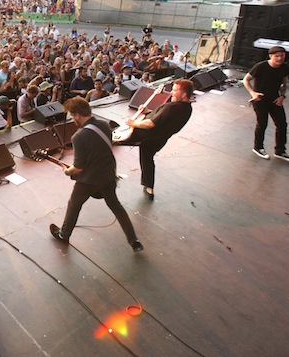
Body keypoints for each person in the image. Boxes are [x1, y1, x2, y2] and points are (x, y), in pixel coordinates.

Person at [49, 97, 143, 252]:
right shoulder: (104, 125)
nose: (73, 120)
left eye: (72, 116)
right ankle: (134, 241)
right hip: (108, 175)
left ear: (78, 115)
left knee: (74, 204)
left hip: (89, 180)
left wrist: (68, 171)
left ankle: (64, 234)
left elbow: (78, 167)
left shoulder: (78, 137)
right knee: (116, 206)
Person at [124, 79, 194, 201]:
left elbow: (151, 123)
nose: (171, 93)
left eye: (175, 90)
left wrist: (133, 123)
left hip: (147, 136)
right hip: (160, 139)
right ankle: (149, 186)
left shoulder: (172, 107)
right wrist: (148, 112)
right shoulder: (188, 109)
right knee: (147, 157)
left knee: (112, 137)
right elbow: (162, 117)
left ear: (183, 94)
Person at [243, 46, 289, 161]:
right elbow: (246, 80)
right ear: (271, 56)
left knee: (282, 124)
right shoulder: (261, 66)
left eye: (282, 56)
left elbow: (284, 84)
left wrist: (282, 96)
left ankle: (280, 151)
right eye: (277, 56)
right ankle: (258, 147)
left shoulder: (285, 68)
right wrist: (253, 93)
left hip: (275, 99)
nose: (280, 58)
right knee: (262, 124)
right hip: (260, 99)